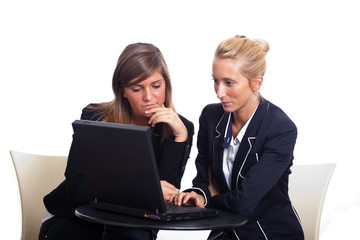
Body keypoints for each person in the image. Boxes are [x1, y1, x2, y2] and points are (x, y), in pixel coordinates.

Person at [39, 42, 194, 240]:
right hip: (74, 217)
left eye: (156, 86)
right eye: (137, 89)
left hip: (131, 225)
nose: (148, 97)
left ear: (166, 83)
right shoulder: (95, 116)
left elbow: (164, 203)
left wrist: (179, 138)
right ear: (123, 90)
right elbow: (76, 188)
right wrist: (141, 192)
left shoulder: (181, 128)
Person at [172, 35, 304, 240]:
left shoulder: (281, 129)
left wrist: (209, 200)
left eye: (229, 83)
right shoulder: (210, 117)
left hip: (266, 232)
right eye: (215, 81)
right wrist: (197, 194)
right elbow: (203, 178)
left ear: (256, 82)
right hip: (224, 232)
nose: (219, 92)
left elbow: (244, 202)